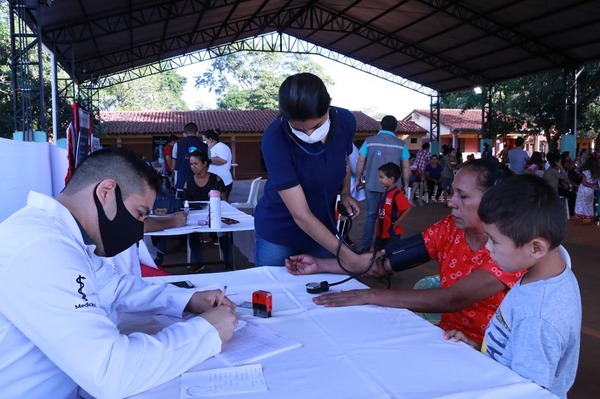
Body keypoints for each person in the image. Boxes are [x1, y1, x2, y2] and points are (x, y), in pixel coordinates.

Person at [0, 148, 237, 398]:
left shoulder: (62, 237)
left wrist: (188, 300)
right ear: (106, 192)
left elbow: (113, 286)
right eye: (138, 214)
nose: (138, 229)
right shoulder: (41, 248)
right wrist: (207, 331)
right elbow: (111, 372)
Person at [286, 158, 525, 342]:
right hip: (448, 339)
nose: (451, 201)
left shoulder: (512, 246)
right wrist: (321, 264)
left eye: (462, 196)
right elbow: (383, 262)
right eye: (453, 193)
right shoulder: (449, 229)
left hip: (488, 352)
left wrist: (371, 296)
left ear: (494, 201)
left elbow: (453, 298)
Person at [445, 174, 581, 399]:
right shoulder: (552, 268)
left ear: (536, 248)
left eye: (494, 240)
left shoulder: (537, 319)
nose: (488, 247)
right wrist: (481, 348)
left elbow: (525, 392)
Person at [254, 72, 370, 269]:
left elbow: (342, 158)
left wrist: (344, 193)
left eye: (316, 125)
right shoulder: (275, 138)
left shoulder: (345, 121)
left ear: (329, 104)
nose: (309, 133)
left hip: (322, 229)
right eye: (299, 129)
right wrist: (352, 260)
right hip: (279, 232)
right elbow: (301, 215)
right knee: (273, 291)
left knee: (320, 291)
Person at [354, 115, 410, 252]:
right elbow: (406, 166)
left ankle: (366, 246)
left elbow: (361, 161)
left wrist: (358, 179)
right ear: (395, 128)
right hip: (392, 189)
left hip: (372, 185)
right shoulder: (401, 144)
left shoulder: (369, 142)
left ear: (381, 126)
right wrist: (405, 185)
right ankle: (387, 248)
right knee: (391, 217)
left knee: (371, 215)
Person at [182, 150, 233, 268]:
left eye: (196, 164)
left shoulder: (216, 180)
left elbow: (224, 201)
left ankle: (229, 262)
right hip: (195, 218)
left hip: (215, 215)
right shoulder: (188, 183)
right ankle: (198, 262)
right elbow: (185, 204)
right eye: (191, 164)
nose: (193, 167)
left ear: (205, 164)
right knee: (193, 233)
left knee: (224, 233)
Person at [374, 162, 411, 251]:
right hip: (381, 231)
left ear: (391, 179)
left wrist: (398, 221)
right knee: (378, 251)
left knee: (390, 254)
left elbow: (407, 208)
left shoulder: (397, 194)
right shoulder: (385, 192)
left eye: (381, 177)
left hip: (391, 233)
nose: (379, 180)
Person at [172, 122, 208, 196]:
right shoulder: (205, 146)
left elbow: (173, 165)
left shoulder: (177, 145)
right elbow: (207, 165)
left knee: (181, 205)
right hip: (200, 183)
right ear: (197, 133)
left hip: (181, 181)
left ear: (184, 133)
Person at [202, 128, 234, 200]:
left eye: (205, 140)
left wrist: (205, 160)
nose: (204, 142)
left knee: (221, 205)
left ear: (210, 139)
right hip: (215, 181)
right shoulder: (212, 148)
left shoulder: (221, 146)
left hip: (223, 181)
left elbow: (222, 161)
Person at [573, 155, 600, 223]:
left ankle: (580, 217)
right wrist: (593, 186)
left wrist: (590, 185)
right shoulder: (596, 173)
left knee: (580, 203)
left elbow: (583, 182)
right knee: (589, 204)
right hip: (591, 190)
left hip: (583, 189)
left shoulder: (585, 171)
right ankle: (588, 217)